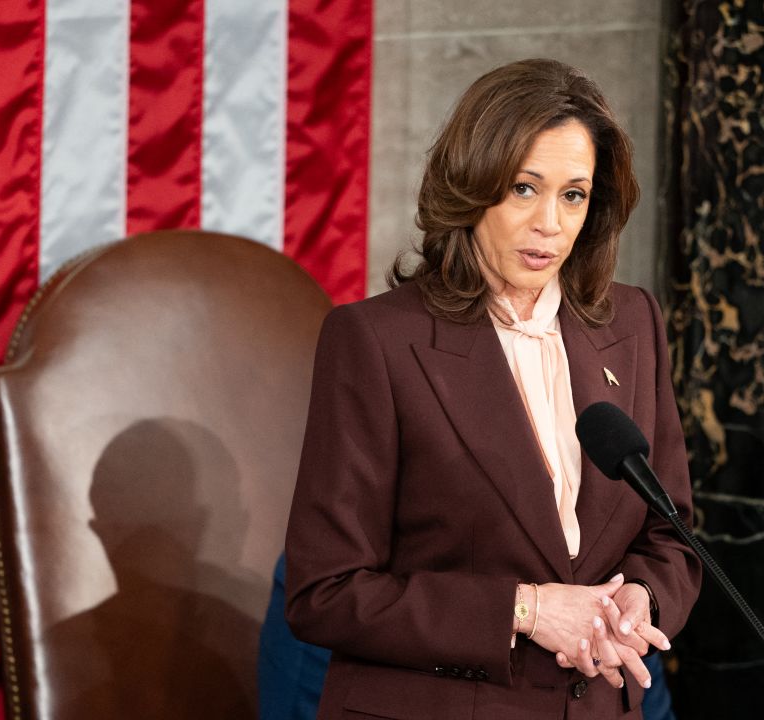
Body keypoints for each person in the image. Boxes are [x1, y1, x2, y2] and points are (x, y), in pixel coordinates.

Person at [285, 58, 701, 719]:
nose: (549, 224)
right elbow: (325, 593)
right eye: (523, 189)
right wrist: (525, 609)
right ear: (471, 187)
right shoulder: (377, 342)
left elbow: (671, 530)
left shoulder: (633, 324)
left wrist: (642, 598)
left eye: (573, 195)